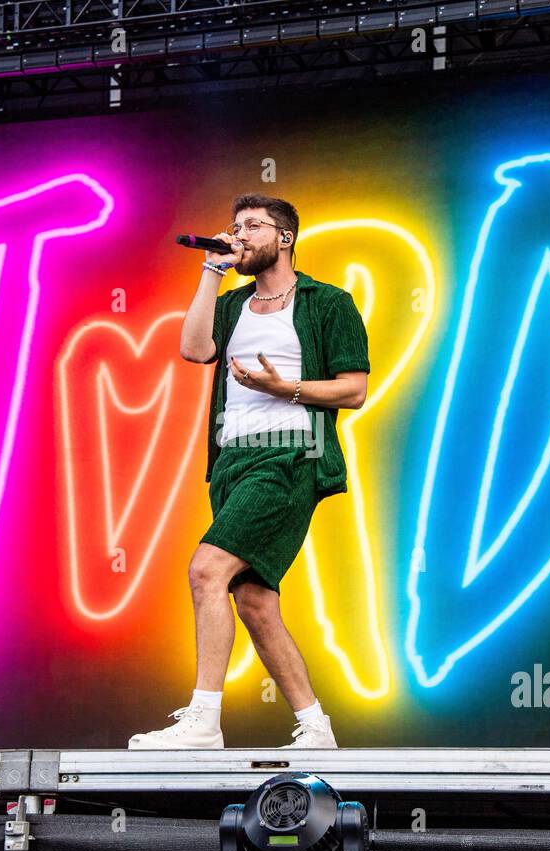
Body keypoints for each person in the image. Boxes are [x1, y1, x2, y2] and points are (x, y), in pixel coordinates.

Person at [129, 194, 370, 749]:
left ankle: (204, 720)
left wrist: (281, 387)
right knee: (255, 601)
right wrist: (212, 271)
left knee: (207, 570)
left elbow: (353, 390)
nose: (239, 234)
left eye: (252, 226)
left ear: (284, 238)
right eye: (235, 226)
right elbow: (193, 350)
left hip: (290, 458)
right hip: (232, 461)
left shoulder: (327, 302)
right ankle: (316, 728)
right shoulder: (233, 305)